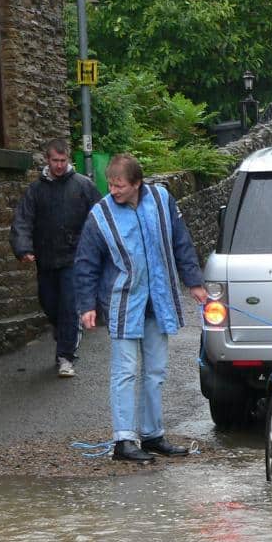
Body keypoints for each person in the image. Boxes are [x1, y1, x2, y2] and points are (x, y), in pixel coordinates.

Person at [74, 154, 208, 463]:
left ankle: (152, 435)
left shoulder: (161, 200)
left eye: (119, 185)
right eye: (110, 183)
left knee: (156, 371)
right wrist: (86, 305)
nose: (113, 190)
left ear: (137, 183)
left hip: (157, 301)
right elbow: (85, 263)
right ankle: (124, 440)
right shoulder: (101, 214)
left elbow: (181, 242)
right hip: (122, 303)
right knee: (125, 371)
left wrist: (195, 282)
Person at [9, 139, 101, 378]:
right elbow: (23, 220)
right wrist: (23, 248)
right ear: (47, 160)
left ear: (68, 160)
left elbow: (101, 217)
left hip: (74, 258)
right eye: (55, 161)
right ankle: (63, 334)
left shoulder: (83, 186)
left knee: (69, 306)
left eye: (63, 161)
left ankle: (66, 356)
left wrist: (96, 249)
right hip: (46, 258)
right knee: (49, 304)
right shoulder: (35, 191)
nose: (59, 165)